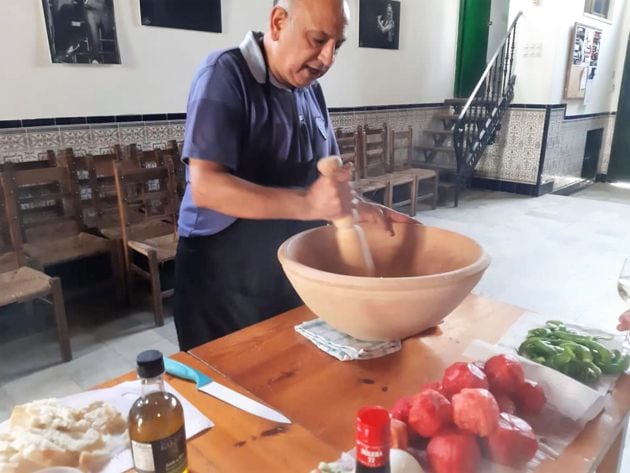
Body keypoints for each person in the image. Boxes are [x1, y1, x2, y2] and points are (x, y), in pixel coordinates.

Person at [174, 0, 417, 351]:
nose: (328, 58)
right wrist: (307, 203)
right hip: (222, 281)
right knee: (227, 391)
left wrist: (355, 205)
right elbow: (208, 187)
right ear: (277, 23)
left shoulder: (310, 91)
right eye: (318, 40)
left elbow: (327, 178)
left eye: (338, 45)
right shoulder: (224, 75)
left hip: (287, 272)